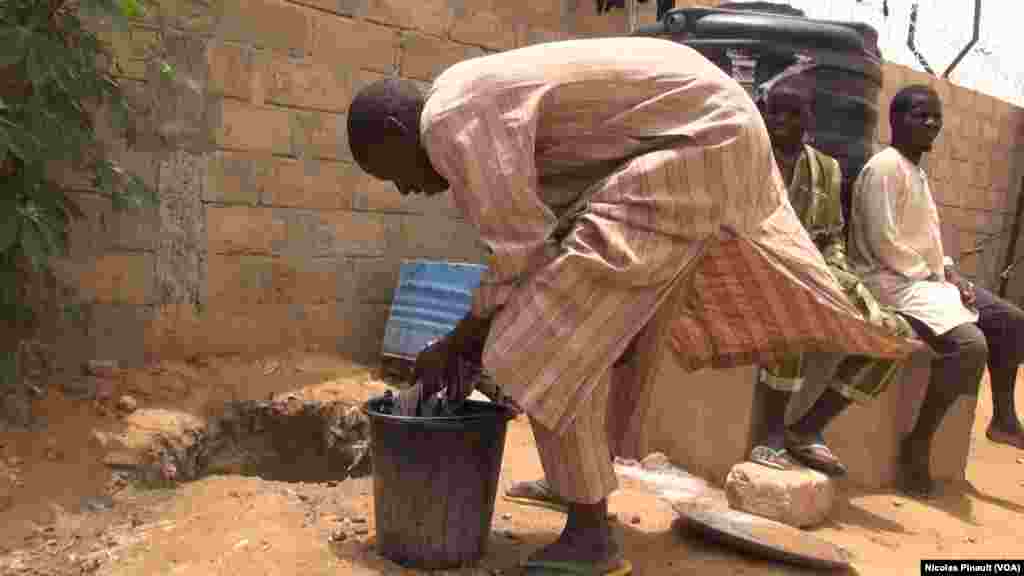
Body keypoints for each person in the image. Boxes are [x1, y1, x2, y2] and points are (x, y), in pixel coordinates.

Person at [347, 38, 917, 575]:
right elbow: (531, 245)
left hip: (702, 141)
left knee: (542, 342)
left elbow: (517, 252)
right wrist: (470, 338)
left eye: (388, 172)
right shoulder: (456, 95)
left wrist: (458, 342)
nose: (403, 190)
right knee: (570, 333)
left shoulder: (450, 122)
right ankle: (575, 483)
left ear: (400, 129)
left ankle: (591, 532)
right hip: (700, 134)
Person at [848, 84, 1024, 498]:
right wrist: (936, 280)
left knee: (1012, 321)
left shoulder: (917, 172)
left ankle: (1002, 417)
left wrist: (952, 276)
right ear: (896, 120)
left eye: (935, 116)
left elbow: (929, 240)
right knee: (971, 347)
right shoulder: (883, 168)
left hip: (926, 280)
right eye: (920, 115)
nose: (931, 123)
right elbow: (882, 243)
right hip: (892, 283)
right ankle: (918, 442)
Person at [745, 69, 916, 476]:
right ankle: (767, 436)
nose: (780, 122)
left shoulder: (828, 169)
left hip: (813, 270)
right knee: (796, 311)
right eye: (774, 113)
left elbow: (831, 238)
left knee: (896, 333)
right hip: (758, 269)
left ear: (810, 119)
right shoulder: (750, 161)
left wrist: (838, 278)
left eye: (792, 113)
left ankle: (807, 429)